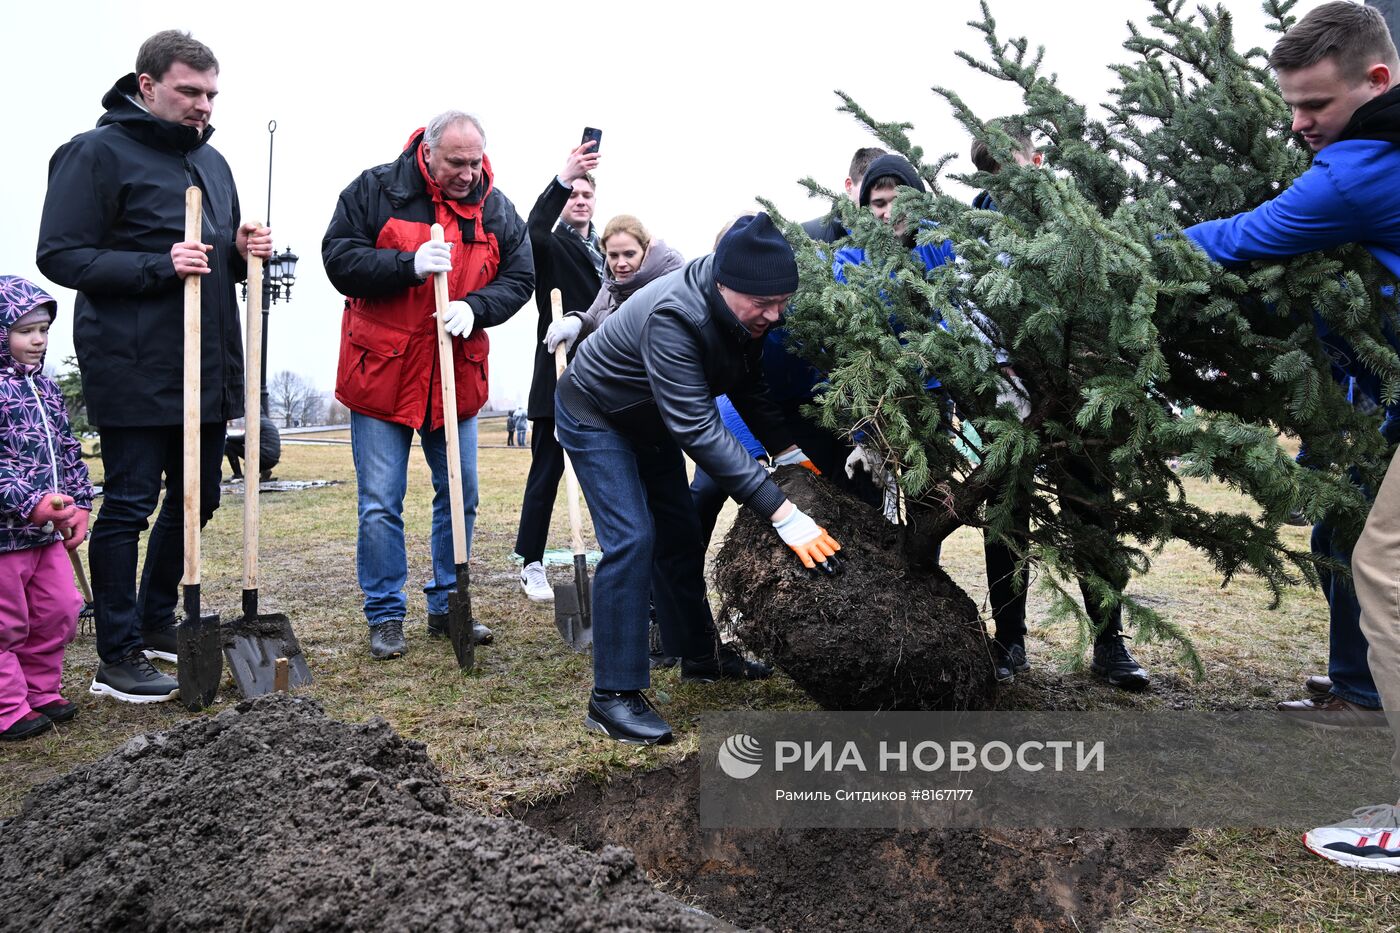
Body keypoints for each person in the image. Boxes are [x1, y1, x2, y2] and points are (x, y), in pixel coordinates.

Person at [1181, 1, 1400, 871]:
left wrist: (1112, 243)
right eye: (1292, 108)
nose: (1301, 125)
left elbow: (1241, 240)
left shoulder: (1362, 167)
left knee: (1382, 566)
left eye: (1315, 106)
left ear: (1376, 82)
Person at [841, 151, 1151, 690]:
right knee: (1007, 511)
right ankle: (1011, 640)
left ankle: (1110, 642)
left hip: (1070, 382)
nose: (888, 213)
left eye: (897, 200)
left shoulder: (1009, 226)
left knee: (1090, 508)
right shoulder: (906, 247)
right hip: (994, 393)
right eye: (878, 203)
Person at [36, 30, 272, 703]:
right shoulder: (96, 153)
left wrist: (239, 250)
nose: (203, 104)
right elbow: (61, 254)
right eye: (189, 91)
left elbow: (212, 260)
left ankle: (155, 615)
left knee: (202, 495)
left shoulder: (213, 163)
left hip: (205, 362)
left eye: (211, 93)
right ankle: (116, 653)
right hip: (134, 361)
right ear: (147, 86)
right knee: (133, 500)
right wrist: (156, 264)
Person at [555, 212, 841, 746]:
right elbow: (699, 428)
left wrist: (790, 453)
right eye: (764, 304)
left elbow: (748, 386)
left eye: (782, 303)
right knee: (632, 539)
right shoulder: (676, 315)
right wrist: (781, 512)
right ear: (725, 285)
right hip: (596, 412)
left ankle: (701, 658)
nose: (775, 315)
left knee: (680, 533)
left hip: (652, 416)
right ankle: (612, 696)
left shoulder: (745, 313)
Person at [323, 110, 534, 660]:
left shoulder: (497, 207)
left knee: (461, 493)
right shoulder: (375, 191)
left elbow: (521, 276)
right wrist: (406, 264)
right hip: (382, 372)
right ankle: (386, 615)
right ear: (429, 152)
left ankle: (447, 603)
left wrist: (476, 307)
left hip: (454, 372)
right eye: (456, 163)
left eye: (475, 162)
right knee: (379, 501)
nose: (468, 173)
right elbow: (339, 260)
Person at [0, 278, 91, 740]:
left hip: (45, 534)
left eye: (44, 330)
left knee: (59, 610)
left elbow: (67, 450)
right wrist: (30, 501)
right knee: (5, 624)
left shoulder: (47, 390)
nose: (38, 340)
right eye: (25, 331)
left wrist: (80, 507)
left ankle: (40, 691)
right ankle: (6, 706)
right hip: (5, 538)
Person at [515, 140, 604, 603]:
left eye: (587, 195)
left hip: (602, 379)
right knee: (546, 470)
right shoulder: (550, 245)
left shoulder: (608, 252)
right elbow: (530, 228)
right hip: (557, 371)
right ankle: (530, 562)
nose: (581, 200)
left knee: (607, 469)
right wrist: (561, 179)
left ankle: (616, 552)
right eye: (573, 195)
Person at [801, 147, 888, 243]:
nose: (877, 198)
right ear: (849, 185)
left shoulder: (899, 236)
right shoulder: (806, 234)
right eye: (868, 189)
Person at [225, 413, 282, 481]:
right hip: (273, 459)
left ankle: (238, 475)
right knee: (259, 449)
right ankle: (264, 470)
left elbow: (245, 439)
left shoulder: (257, 422)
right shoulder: (267, 422)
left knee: (229, 446)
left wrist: (227, 438)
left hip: (263, 458)